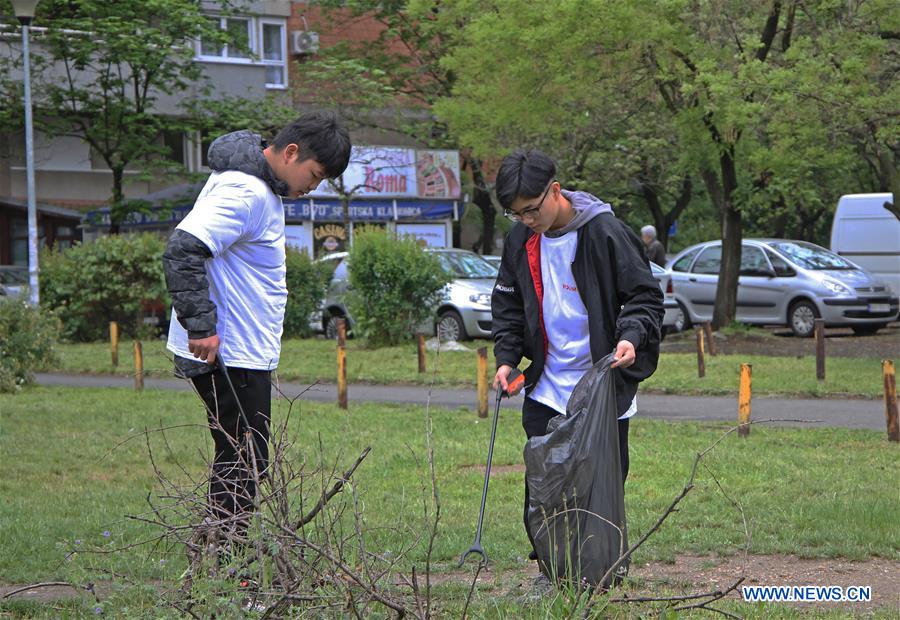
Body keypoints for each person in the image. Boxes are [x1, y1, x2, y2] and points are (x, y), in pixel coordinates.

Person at [162, 112, 352, 536]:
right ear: (290, 153)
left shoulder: (252, 184)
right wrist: (201, 326)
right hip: (228, 351)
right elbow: (183, 249)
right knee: (244, 459)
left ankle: (220, 561)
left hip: (240, 349)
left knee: (242, 456)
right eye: (315, 175)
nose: (312, 187)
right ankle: (227, 570)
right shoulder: (246, 192)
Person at [490, 149, 663, 584]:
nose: (527, 220)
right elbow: (508, 303)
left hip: (602, 388)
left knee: (598, 486)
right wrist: (508, 359)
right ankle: (550, 573)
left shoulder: (604, 232)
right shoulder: (520, 240)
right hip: (547, 384)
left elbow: (644, 297)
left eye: (532, 209)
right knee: (544, 486)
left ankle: (598, 573)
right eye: (516, 214)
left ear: (555, 190)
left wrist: (630, 336)